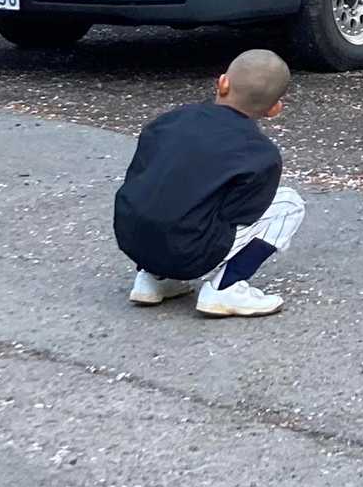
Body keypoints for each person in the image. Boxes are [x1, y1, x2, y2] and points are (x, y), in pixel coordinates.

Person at [114, 49, 304, 317]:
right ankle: (226, 287)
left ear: (223, 82)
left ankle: (153, 278)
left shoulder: (169, 121)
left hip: (132, 238)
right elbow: (241, 215)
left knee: (167, 188)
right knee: (289, 204)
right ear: (274, 109)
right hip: (191, 252)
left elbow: (140, 176)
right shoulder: (261, 155)